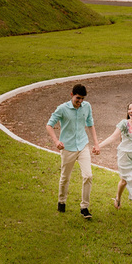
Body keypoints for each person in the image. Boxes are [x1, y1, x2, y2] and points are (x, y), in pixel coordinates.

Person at [46, 83, 99, 219]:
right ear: (71, 95)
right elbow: (49, 125)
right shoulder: (62, 109)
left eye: (82, 99)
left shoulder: (87, 107)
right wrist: (56, 141)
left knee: (88, 176)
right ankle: (61, 202)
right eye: (78, 98)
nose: (80, 101)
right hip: (67, 148)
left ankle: (84, 208)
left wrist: (96, 144)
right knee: (65, 177)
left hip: (82, 146)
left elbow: (90, 124)